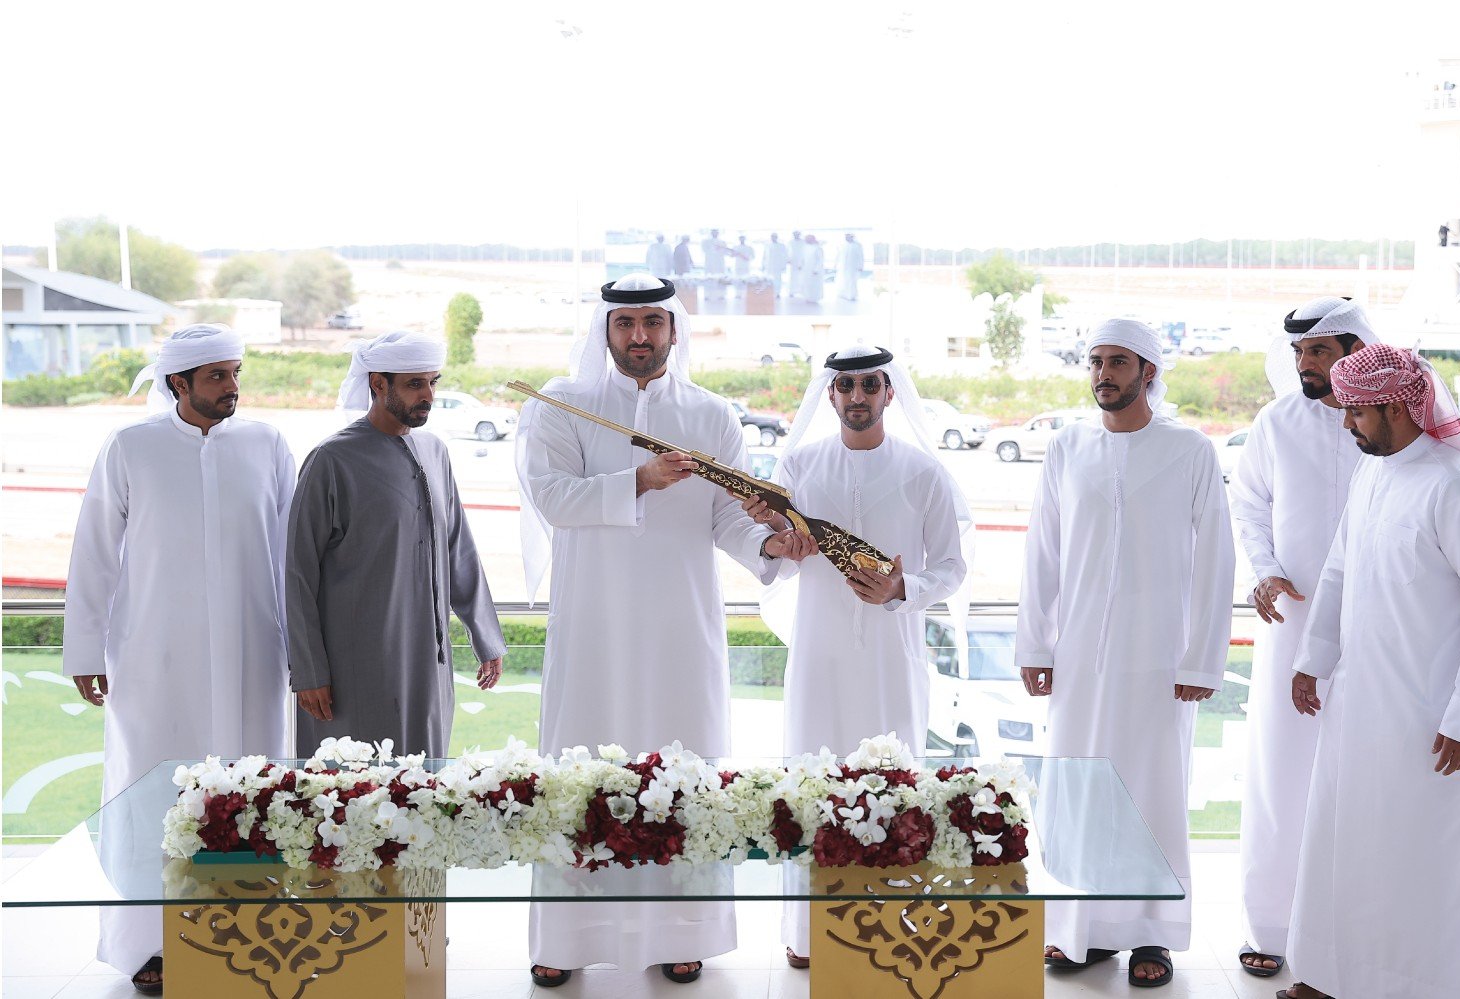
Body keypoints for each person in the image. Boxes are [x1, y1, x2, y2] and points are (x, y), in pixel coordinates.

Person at [516, 273, 810, 988]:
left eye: (653, 321)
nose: (640, 335)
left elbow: (728, 515)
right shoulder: (563, 404)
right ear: (605, 330)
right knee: (581, 774)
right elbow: (552, 499)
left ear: (675, 329)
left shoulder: (711, 415)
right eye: (626, 323)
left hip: (681, 628)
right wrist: (640, 480)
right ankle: (567, 935)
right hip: (592, 631)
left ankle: (684, 931)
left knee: (682, 773)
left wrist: (769, 542)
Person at [65, 323, 294, 995]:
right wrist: (84, 648)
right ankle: (150, 944)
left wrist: (303, 651)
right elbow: (94, 553)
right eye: (218, 375)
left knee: (251, 795)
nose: (232, 386)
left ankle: (251, 933)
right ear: (178, 382)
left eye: (236, 372)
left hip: (253, 656)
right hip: (153, 661)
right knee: (152, 799)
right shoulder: (130, 447)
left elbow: (291, 553)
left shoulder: (267, 444)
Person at [1283, 345, 1460, 999]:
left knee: (1421, 863)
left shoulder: (1459, 486)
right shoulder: (1373, 472)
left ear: (1396, 407)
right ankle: (1330, 974)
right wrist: (1312, 661)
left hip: (1432, 720)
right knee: (1345, 846)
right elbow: (1338, 569)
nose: (1346, 424)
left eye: (1356, 412)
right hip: (1360, 706)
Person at [1016, 319, 1234, 989]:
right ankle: (1080, 932)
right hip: (1079, 658)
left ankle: (1150, 934)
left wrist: (1202, 658)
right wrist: (1036, 642)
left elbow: (1216, 558)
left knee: (1149, 794)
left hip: (1158, 660)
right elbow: (1043, 550)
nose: (1102, 374)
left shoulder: (1190, 450)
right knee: (1079, 792)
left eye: (1117, 362)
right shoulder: (1067, 446)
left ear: (1148, 372)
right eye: (1095, 362)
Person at [739, 344, 970, 969]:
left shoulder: (923, 472)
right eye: (846, 386)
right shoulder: (799, 464)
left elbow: (952, 567)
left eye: (870, 384)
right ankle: (809, 931)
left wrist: (902, 589)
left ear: (890, 392)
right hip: (820, 656)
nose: (858, 396)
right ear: (831, 394)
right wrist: (777, 539)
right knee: (814, 783)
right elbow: (776, 551)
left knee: (893, 783)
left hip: (893, 658)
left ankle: (893, 924)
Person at [1232, 296, 1377, 979]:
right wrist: (1264, 570)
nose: (1304, 364)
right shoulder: (1275, 422)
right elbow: (1249, 503)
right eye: (1298, 352)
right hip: (1292, 621)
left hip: (1376, 621)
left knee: (1365, 772)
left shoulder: (1391, 423)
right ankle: (1271, 924)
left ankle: (1357, 931)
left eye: (1317, 350)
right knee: (1281, 771)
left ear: (1355, 349)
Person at [286, 330, 505, 758]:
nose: (428, 395)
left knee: (424, 781)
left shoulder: (434, 451)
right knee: (352, 781)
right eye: (414, 384)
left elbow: (458, 549)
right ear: (377, 384)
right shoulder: (332, 460)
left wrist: (485, 637)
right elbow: (298, 574)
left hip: (428, 664)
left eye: (433, 382)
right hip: (353, 665)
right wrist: (309, 671)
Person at [837, 233, 865, 302]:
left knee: (852, 281)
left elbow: (861, 256)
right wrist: (836, 264)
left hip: (853, 267)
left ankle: (851, 295)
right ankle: (844, 294)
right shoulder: (842, 245)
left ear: (852, 237)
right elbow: (839, 255)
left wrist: (861, 266)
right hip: (843, 267)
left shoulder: (858, 246)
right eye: (846, 237)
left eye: (848, 236)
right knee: (843, 280)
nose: (846, 238)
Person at [799, 234, 825, 304]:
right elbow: (803, 258)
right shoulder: (805, 247)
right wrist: (800, 265)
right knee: (807, 284)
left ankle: (815, 298)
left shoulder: (817, 248)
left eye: (807, 239)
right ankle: (808, 297)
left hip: (814, 271)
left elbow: (820, 260)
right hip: (806, 270)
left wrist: (816, 269)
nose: (805, 240)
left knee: (814, 285)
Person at [788, 230, 806, 298]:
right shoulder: (790, 242)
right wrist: (788, 260)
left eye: (797, 234)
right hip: (793, 262)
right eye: (795, 234)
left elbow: (805, 252)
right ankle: (791, 292)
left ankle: (802, 292)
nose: (796, 235)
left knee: (801, 277)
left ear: (799, 235)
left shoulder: (803, 242)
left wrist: (803, 262)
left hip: (802, 262)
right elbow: (788, 252)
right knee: (792, 278)